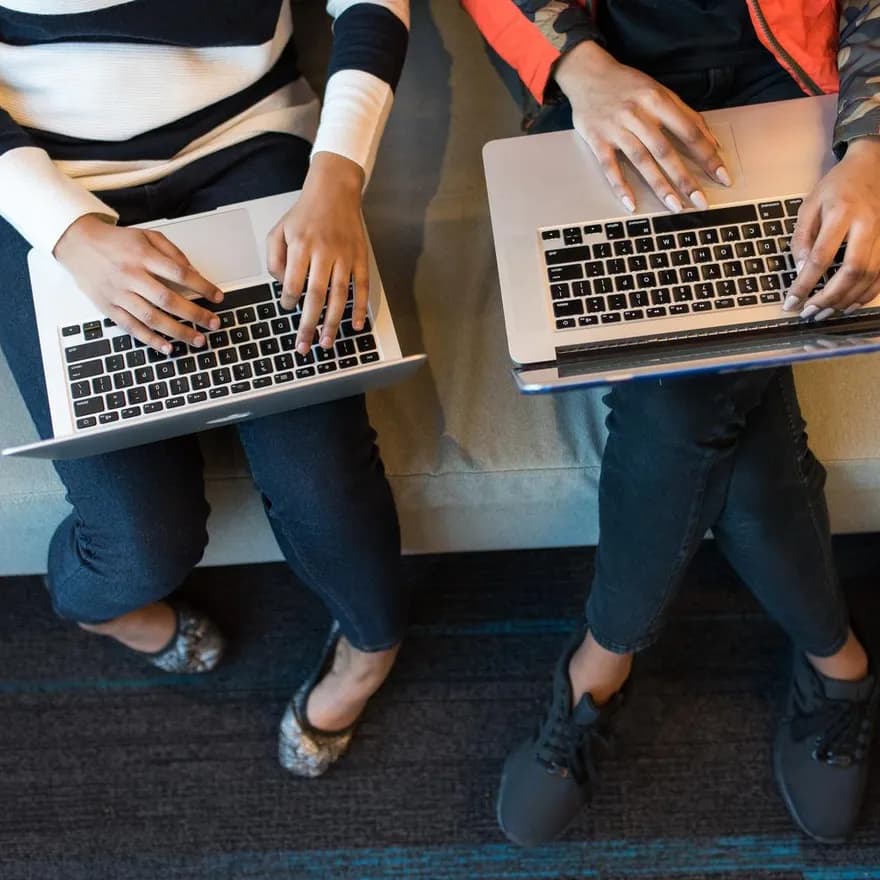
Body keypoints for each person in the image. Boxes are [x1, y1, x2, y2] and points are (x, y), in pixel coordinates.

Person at [463, 0, 879, 845]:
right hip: (608, 87)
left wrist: (872, 146)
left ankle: (600, 668)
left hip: (793, 85)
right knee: (708, 406)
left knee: (683, 402)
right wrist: (577, 64)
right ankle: (839, 664)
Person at [0, 0, 410, 778]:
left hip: (247, 138)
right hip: (43, 169)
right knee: (138, 544)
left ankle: (371, 650)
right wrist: (68, 231)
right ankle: (106, 615)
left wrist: (337, 178)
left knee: (325, 483)